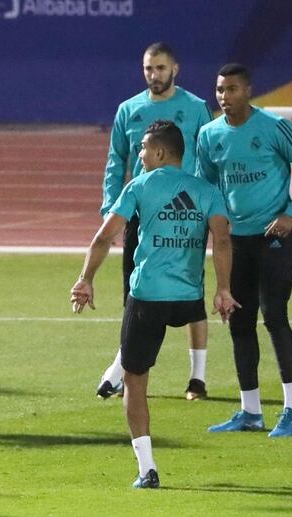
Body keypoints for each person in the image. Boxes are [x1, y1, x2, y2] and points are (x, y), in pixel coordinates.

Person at [71, 120, 239, 488]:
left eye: (144, 148)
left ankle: (147, 469)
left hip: (147, 298)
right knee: (141, 367)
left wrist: (86, 278)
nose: (140, 154)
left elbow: (103, 237)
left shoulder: (140, 186)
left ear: (160, 152)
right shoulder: (206, 191)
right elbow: (223, 240)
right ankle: (194, 376)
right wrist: (223, 289)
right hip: (189, 299)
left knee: (135, 381)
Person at [198, 64, 292, 437]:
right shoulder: (209, 135)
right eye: (220, 90)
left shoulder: (273, 126)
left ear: (248, 90)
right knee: (239, 319)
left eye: (232, 89)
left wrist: (291, 213)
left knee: (275, 315)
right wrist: (216, 226)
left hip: (275, 235)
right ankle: (250, 411)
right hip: (237, 240)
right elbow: (207, 187)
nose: (224, 96)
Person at [98, 42, 214, 401]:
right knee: (136, 291)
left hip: (184, 215)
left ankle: (198, 378)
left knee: (191, 294)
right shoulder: (129, 110)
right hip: (141, 214)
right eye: (149, 68)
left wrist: (211, 210)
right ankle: (125, 369)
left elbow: (207, 159)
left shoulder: (195, 109)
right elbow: (117, 162)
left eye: (161, 68)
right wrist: (110, 211)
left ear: (175, 69)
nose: (154, 75)